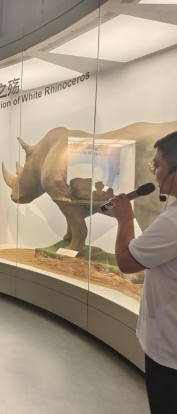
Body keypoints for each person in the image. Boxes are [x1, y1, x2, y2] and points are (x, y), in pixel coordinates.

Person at [110, 132, 177, 414]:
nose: (154, 172)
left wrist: (125, 219)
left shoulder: (173, 222)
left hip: (168, 352)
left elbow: (127, 262)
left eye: (157, 165)